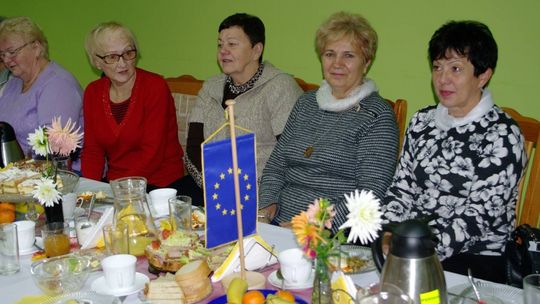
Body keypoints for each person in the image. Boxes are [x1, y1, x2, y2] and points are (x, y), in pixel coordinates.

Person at [382, 21, 527, 283]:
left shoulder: (503, 135)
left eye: (456, 69)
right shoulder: (422, 121)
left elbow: (477, 217)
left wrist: (416, 249)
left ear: (483, 76)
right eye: (437, 67)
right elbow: (401, 187)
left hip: (474, 258)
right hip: (411, 245)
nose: (442, 79)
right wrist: (388, 231)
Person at [259, 12, 399, 228]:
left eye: (349, 56)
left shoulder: (377, 116)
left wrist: (310, 226)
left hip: (332, 235)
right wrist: (266, 207)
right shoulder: (305, 103)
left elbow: (370, 195)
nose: (337, 64)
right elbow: (276, 165)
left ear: (367, 62)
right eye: (330, 54)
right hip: (278, 223)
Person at [184, 13, 303, 204]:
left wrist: (248, 190)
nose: (223, 51)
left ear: (256, 50)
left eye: (232, 44)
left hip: (261, 191)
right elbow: (193, 146)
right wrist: (214, 185)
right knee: (172, 207)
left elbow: (290, 154)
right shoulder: (211, 87)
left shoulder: (280, 87)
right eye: (220, 44)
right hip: (211, 186)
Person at [81, 22, 184, 190]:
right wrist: (89, 190)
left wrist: (120, 187)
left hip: (160, 184)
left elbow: (152, 153)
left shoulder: (155, 87)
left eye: (128, 53)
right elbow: (93, 151)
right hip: (116, 184)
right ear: (97, 62)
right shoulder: (92, 92)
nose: (123, 63)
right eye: (112, 57)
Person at [0, 16, 82, 156]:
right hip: (17, 170)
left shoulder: (58, 84)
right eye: (2, 54)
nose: (7, 60)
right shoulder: (13, 83)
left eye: (12, 52)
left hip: (58, 172)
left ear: (36, 47)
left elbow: (54, 148)